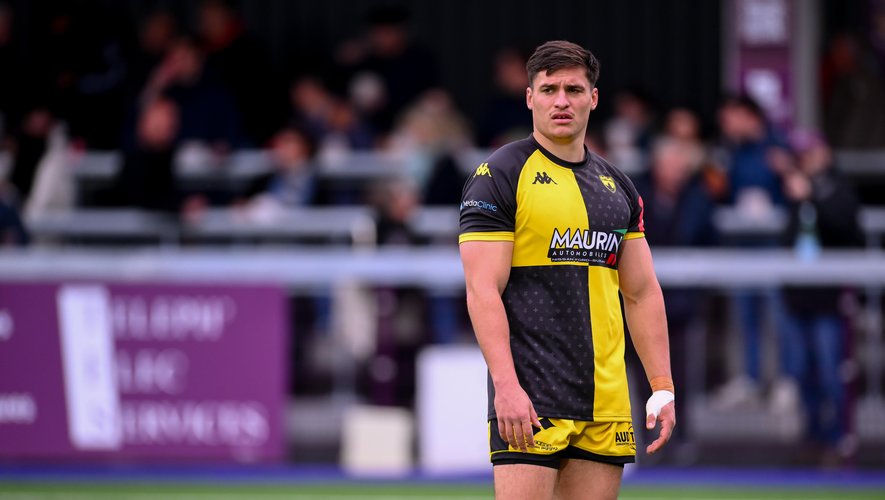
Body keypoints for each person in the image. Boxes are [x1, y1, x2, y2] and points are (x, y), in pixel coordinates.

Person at [459, 40, 675, 500]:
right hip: (531, 395)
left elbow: (641, 292)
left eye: (574, 90)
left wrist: (662, 386)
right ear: (530, 97)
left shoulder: (619, 186)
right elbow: (482, 290)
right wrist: (506, 386)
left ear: (593, 98)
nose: (562, 101)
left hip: (606, 401)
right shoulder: (499, 175)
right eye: (549, 89)